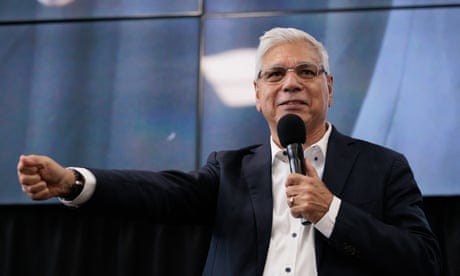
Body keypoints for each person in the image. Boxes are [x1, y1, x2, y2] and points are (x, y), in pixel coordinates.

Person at [17, 27, 441, 276]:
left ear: (329, 88)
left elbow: (424, 261)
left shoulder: (383, 166)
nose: (290, 83)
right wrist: (74, 182)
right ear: (258, 95)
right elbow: (158, 192)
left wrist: (330, 210)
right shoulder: (230, 170)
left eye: (306, 72)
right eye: (275, 74)